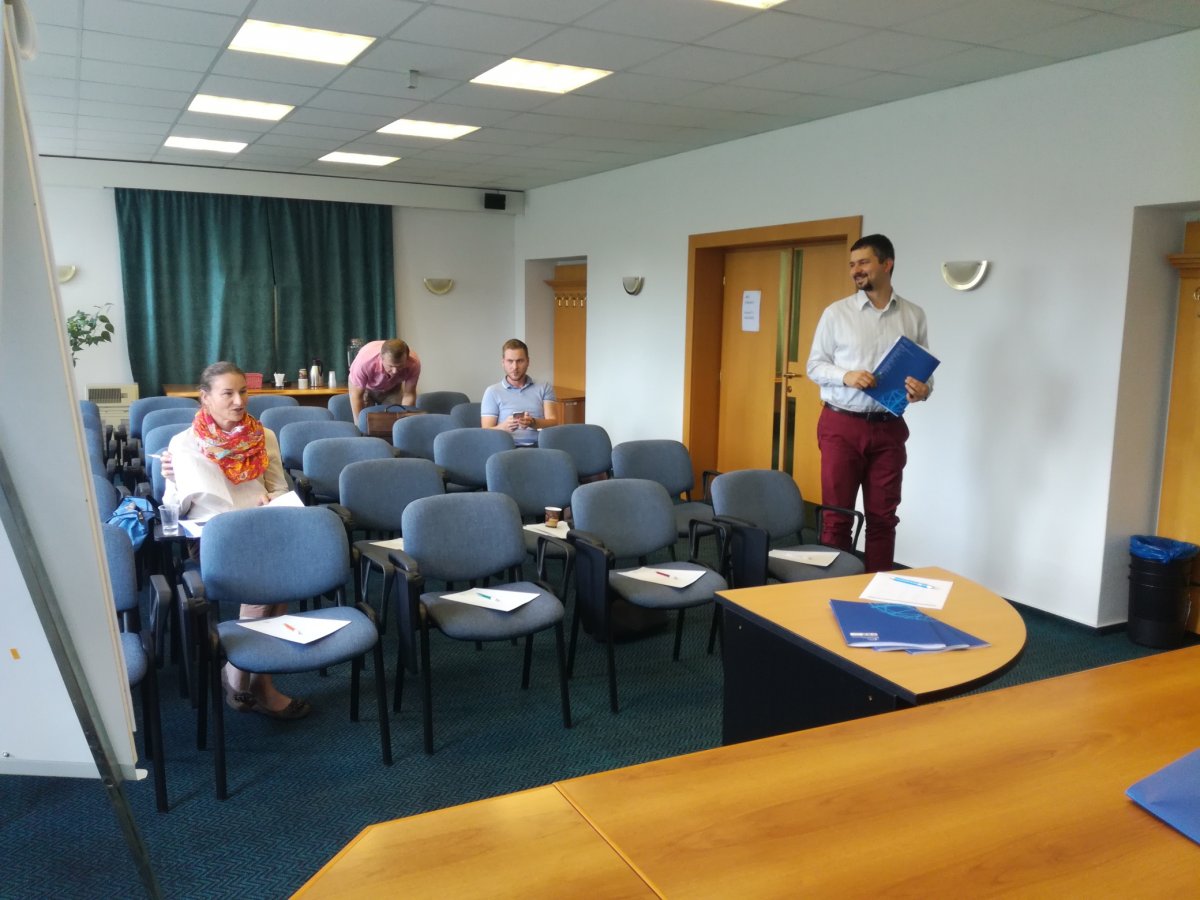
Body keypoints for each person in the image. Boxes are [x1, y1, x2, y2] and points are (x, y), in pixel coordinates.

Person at [162, 361, 309, 720]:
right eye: (227, 393)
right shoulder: (184, 443)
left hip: (260, 526)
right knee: (268, 581)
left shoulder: (264, 436)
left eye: (243, 392)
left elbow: (278, 488)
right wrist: (175, 479)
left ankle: (243, 674)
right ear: (205, 398)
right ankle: (254, 680)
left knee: (278, 578)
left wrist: (271, 500)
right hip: (213, 537)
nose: (239, 401)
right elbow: (173, 510)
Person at [805, 234, 932, 573]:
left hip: (889, 427)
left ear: (887, 264)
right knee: (837, 517)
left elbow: (924, 373)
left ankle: (878, 592)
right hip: (841, 425)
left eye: (863, 262)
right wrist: (845, 375)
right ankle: (831, 591)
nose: (855, 270)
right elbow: (814, 366)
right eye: (852, 265)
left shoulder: (914, 315)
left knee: (884, 518)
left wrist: (923, 390)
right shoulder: (836, 314)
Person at [480, 338, 556, 447]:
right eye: (510, 361)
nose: (515, 367)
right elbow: (485, 432)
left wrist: (533, 422)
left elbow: (553, 422)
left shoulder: (544, 387)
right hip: (506, 448)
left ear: (528, 362)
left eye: (520, 361)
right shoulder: (492, 391)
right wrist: (503, 427)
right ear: (503, 362)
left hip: (538, 447)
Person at [347, 338, 421, 424]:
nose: (395, 371)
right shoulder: (364, 362)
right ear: (381, 358)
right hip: (365, 387)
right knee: (365, 422)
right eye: (390, 366)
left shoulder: (413, 363)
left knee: (395, 421)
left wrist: (405, 421)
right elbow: (357, 397)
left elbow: (409, 394)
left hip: (393, 387)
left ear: (407, 359)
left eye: (399, 366)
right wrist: (360, 424)